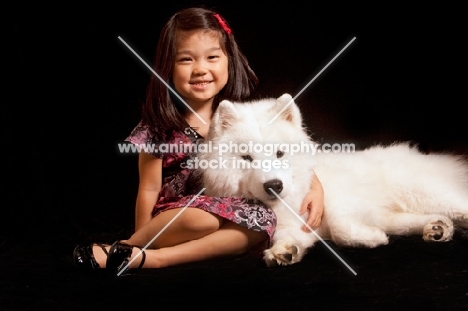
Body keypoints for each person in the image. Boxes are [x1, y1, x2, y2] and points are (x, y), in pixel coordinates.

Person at [73, 7, 324, 274]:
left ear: (229, 61)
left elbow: (281, 155)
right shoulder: (159, 126)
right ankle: (128, 247)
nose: (201, 69)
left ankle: (153, 259)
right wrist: (140, 236)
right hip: (175, 216)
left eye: (212, 57)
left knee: (263, 220)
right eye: (186, 60)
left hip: (229, 214)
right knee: (200, 219)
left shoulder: (238, 119)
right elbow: (148, 188)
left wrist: (316, 188)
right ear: (167, 67)